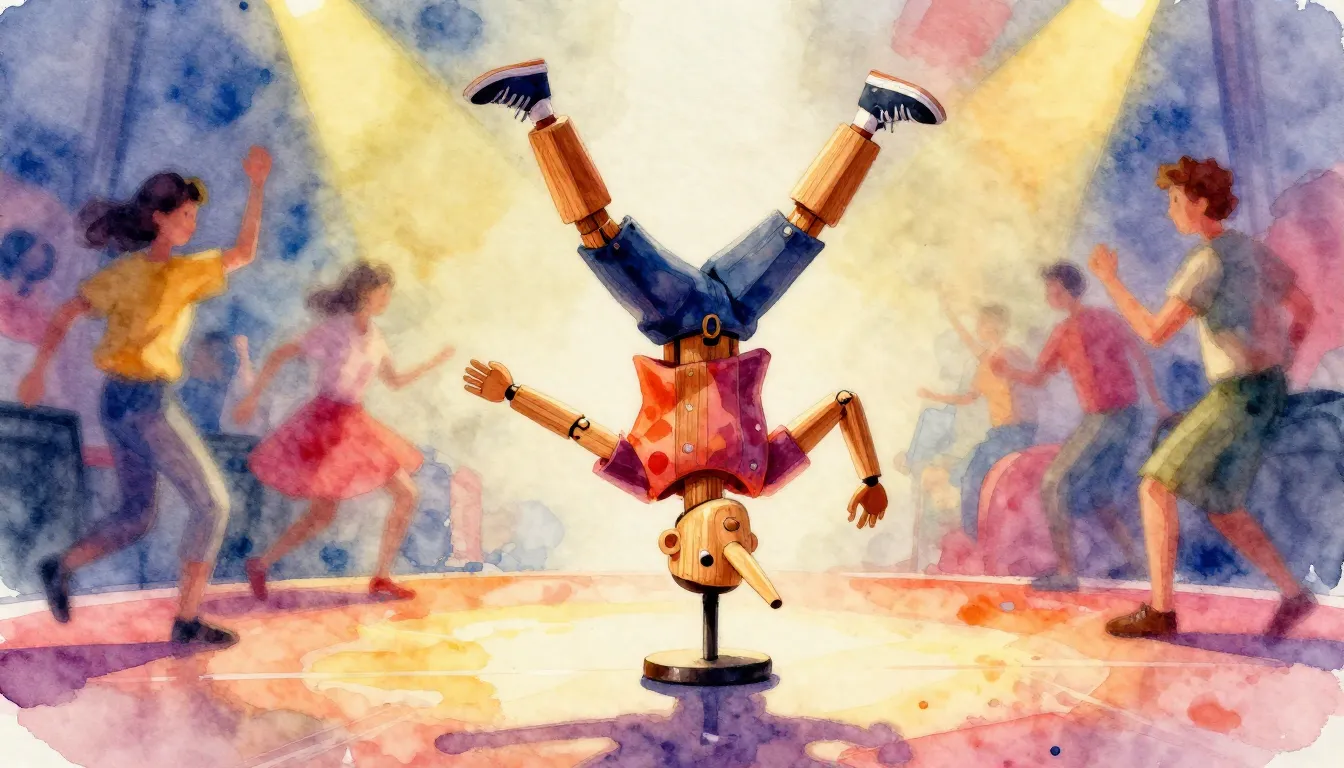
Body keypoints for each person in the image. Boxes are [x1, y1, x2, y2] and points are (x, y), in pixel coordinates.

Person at [19, 147, 272, 647]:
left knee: (137, 515)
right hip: (145, 404)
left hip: (119, 402)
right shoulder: (149, 274)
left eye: (194, 215)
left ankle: (61, 565)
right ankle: (186, 620)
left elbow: (243, 252)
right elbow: (67, 313)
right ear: (159, 218)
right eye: (186, 215)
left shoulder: (170, 271)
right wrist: (38, 370)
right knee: (212, 504)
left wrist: (258, 186)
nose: (193, 224)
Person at [1087, 156, 1316, 639]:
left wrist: (1109, 280)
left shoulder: (1206, 262)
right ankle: (1295, 595)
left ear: (1201, 203)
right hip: (1267, 389)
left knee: (1154, 486)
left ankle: (1161, 611)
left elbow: (1154, 332)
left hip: (1236, 394)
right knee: (1221, 504)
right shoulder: (1252, 252)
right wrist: (1283, 360)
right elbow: (1304, 310)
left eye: (1175, 200)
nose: (1170, 210)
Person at [234, 261, 455, 601]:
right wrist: (252, 398)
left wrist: (433, 363)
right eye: (383, 292)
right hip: (326, 422)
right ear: (365, 292)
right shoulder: (335, 329)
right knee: (323, 514)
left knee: (406, 495)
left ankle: (381, 576)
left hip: (355, 422)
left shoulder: (376, 336)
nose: (387, 299)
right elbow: (281, 354)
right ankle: (261, 564)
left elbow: (394, 381)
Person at [992, 262, 1167, 590]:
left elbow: (1138, 355)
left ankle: (1066, 572)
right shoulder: (1068, 331)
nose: (1050, 295)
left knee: (1052, 482)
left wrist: (1157, 403)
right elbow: (1038, 378)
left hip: (1108, 418)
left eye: (1055, 289)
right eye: (1049, 290)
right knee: (1099, 494)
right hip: (1117, 418)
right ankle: (1137, 563)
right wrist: (1009, 372)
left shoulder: (1092, 323)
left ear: (1071, 291)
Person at [917, 299, 1037, 540]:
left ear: (996, 325)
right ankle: (976, 533)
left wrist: (951, 315)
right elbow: (968, 397)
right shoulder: (985, 364)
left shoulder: (1011, 355)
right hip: (1000, 433)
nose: (978, 327)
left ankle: (978, 536)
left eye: (982, 323)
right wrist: (934, 396)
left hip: (1015, 432)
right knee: (966, 476)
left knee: (973, 478)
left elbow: (1031, 387)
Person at [178, 332, 248, 434]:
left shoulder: (215, 406)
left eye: (210, 354)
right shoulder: (183, 381)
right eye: (201, 348)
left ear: (219, 367)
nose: (197, 355)